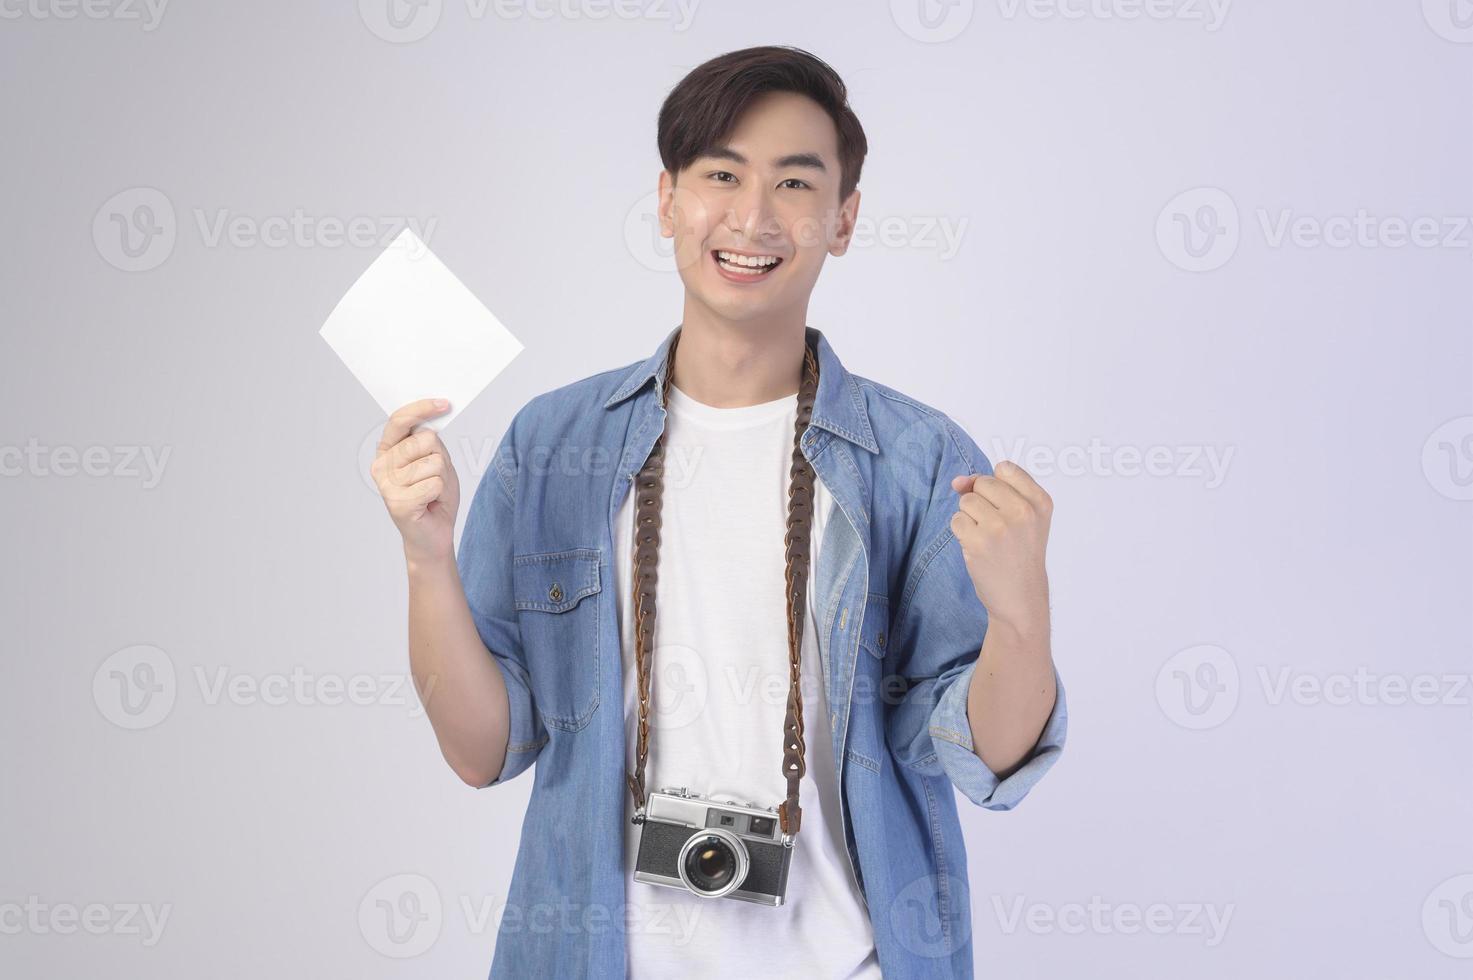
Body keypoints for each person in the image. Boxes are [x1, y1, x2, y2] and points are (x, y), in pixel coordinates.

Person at [371, 45, 1067, 980]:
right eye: (721, 175)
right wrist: (426, 558)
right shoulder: (555, 443)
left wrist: (1022, 614)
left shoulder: (919, 462)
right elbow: (480, 749)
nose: (750, 217)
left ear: (843, 219)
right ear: (667, 200)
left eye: (792, 182)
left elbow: (986, 760)